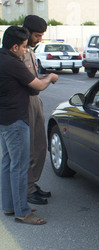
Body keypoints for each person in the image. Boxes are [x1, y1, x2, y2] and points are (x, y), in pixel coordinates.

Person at [0, 26, 58, 225]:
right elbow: (38, 85)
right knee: (19, 166)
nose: (25, 50)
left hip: (4, 119)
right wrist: (50, 77)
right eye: (23, 47)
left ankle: (10, 205)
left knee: (7, 163)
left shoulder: (2, 57)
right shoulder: (13, 63)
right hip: (16, 120)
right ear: (15, 46)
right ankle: (23, 211)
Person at [22, 15, 52, 205]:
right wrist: (48, 79)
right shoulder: (19, 51)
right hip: (26, 102)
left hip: (35, 101)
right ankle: (27, 188)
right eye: (37, 35)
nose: (39, 39)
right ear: (27, 32)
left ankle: (32, 183)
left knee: (40, 146)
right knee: (31, 148)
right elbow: (31, 84)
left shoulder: (30, 51)